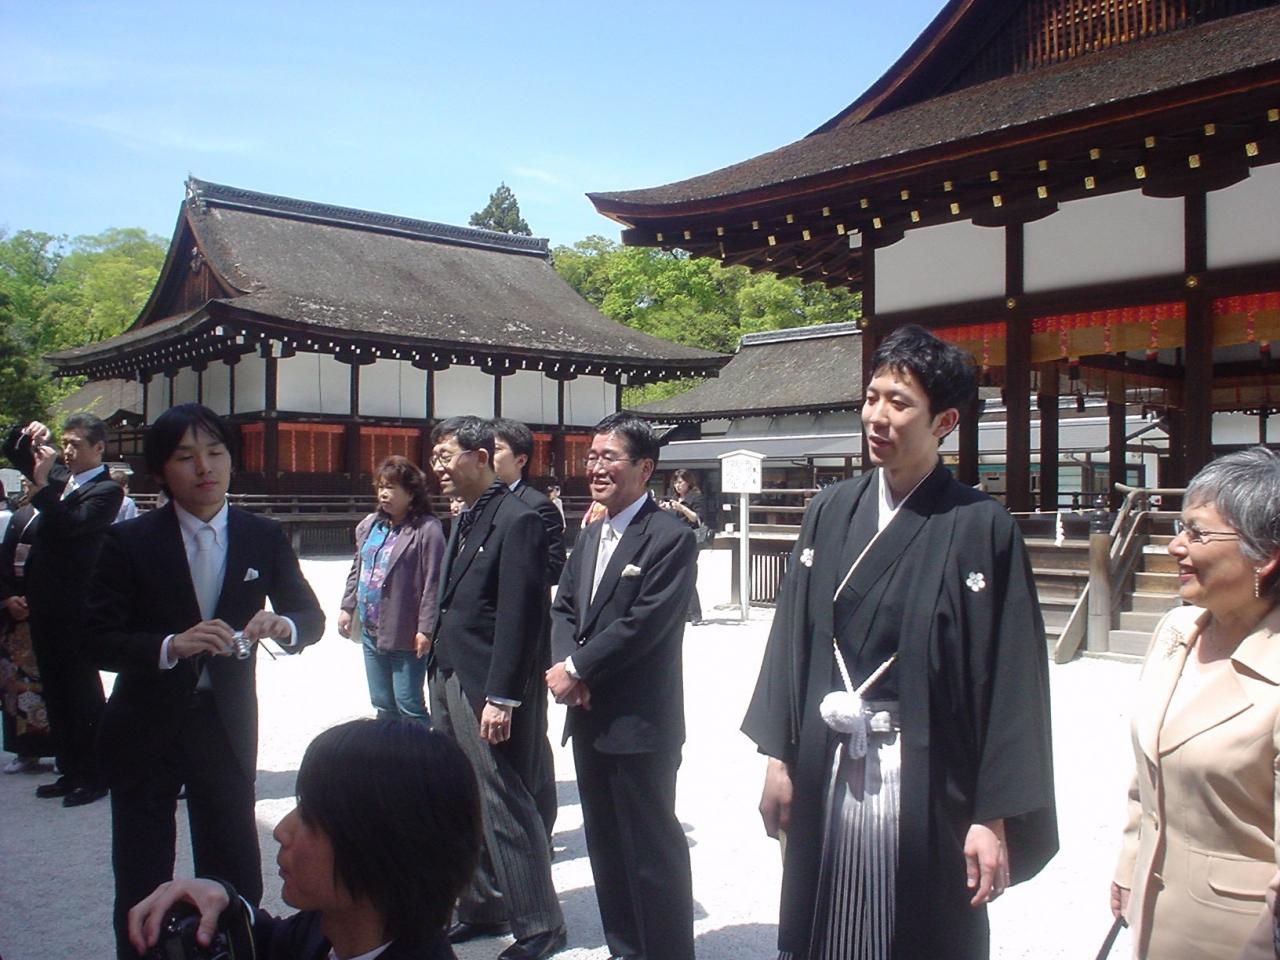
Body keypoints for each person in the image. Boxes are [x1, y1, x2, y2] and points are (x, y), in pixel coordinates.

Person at [743, 324, 1058, 960]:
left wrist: (992, 814)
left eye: (899, 402)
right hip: (828, 758)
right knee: (825, 925)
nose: (877, 416)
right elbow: (791, 640)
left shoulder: (980, 526)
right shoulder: (830, 510)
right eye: (871, 397)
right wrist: (779, 758)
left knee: (919, 931)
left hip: (928, 773)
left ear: (944, 422)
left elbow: (1013, 681)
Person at [82, 402, 325, 960]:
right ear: (160, 470)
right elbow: (95, 638)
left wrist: (282, 625)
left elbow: (308, 616)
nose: (204, 467)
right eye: (186, 457)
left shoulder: (262, 535)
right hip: (145, 720)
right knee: (141, 869)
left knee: (233, 861)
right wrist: (170, 645)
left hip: (225, 721)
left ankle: (234, 950)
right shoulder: (130, 540)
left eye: (215, 452)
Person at [126, 717, 483, 960]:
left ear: (384, 852)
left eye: (312, 817)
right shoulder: (334, 925)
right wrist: (228, 902)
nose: (281, 830)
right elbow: (277, 942)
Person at [1112, 446, 1280, 960]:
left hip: (1240, 936)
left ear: (1265, 555)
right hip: (1153, 915)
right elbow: (1147, 775)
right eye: (1179, 528)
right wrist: (1130, 864)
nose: (1174, 546)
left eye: (1197, 533)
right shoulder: (1175, 631)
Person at [547, 412, 698, 960]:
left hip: (640, 721)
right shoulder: (591, 533)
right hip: (588, 717)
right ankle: (626, 950)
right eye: (591, 457)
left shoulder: (671, 537)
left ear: (645, 468)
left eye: (609, 457)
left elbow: (646, 623)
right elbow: (564, 608)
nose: (595, 467)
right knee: (606, 848)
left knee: (651, 851)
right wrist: (567, 666)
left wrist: (579, 669)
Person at [427, 416, 565, 960]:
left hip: (485, 679)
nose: (437, 467)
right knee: (460, 795)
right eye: (434, 457)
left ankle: (539, 923)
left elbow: (519, 614)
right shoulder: (464, 515)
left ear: (480, 457)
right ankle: (480, 904)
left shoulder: (519, 517)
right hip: (447, 669)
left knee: (502, 796)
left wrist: (503, 696)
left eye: (445, 456)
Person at [2, 414, 123, 806]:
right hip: (44, 603)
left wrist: (41, 487)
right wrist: (27, 431)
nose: (67, 451)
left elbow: (71, 525)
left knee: (82, 691)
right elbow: (15, 452)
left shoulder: (106, 490)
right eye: (65, 443)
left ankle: (96, 774)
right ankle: (70, 769)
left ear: (99, 448)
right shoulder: (59, 478)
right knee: (54, 690)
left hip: (76, 606)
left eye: (76, 444)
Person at [490, 417, 567, 844]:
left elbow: (554, 566)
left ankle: (540, 827)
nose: (488, 457)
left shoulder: (537, 505)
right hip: (488, 634)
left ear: (520, 459)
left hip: (528, 634)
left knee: (530, 734)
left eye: (497, 450)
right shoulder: (481, 503)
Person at [339, 455, 444, 723]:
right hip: (370, 626)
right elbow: (358, 567)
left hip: (405, 629)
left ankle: (421, 748)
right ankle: (389, 748)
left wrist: (426, 629)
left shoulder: (427, 529)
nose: (384, 494)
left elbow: (433, 582)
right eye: (381, 487)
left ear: (411, 492)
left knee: (408, 702)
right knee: (381, 701)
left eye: (391, 487)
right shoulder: (371, 525)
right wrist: (347, 606)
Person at [0, 480, 53, 773]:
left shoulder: (60, 514)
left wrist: (37, 598)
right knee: (15, 684)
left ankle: (62, 749)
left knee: (53, 683)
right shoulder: (20, 515)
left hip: (48, 608)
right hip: (17, 610)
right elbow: (4, 560)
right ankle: (25, 751)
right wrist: (8, 597)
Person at [660, 468, 712, 625]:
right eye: (675, 483)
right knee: (677, 575)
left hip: (691, 539)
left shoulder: (696, 497)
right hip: (675, 538)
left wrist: (682, 507)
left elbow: (697, 518)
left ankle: (695, 613)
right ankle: (686, 613)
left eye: (681, 482)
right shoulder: (674, 498)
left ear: (688, 482)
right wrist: (665, 509)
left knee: (687, 573)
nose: (678, 485)